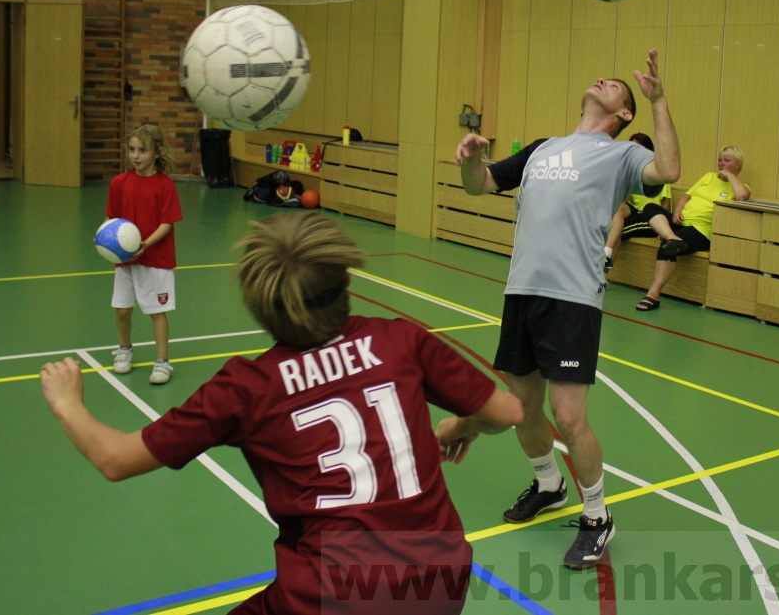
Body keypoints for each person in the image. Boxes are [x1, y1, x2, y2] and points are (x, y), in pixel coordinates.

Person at [41, 213, 522, 615]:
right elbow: (508, 412)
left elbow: (115, 458)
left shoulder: (247, 389)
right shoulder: (400, 340)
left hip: (330, 596)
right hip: (440, 580)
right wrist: (466, 423)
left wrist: (68, 404)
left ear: (257, 306)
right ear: (347, 280)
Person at [457, 49, 680, 570]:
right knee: (523, 409)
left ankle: (598, 517)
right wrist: (469, 157)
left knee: (570, 417)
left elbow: (668, 168)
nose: (604, 78)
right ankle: (548, 482)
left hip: (573, 300)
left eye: (615, 87)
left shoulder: (620, 157)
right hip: (522, 294)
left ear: (624, 115)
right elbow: (480, 184)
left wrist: (659, 100)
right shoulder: (541, 149)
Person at [106, 124, 183, 384]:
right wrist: (109, 242)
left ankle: (162, 362)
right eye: (131, 150)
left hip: (155, 259)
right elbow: (111, 218)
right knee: (122, 310)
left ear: (157, 152)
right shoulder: (119, 183)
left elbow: (167, 223)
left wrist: (145, 244)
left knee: (156, 311)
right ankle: (125, 348)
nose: (136, 156)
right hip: (125, 260)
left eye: (142, 150)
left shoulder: (165, 185)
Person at [635, 145, 750, 312]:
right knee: (651, 208)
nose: (721, 163)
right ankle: (669, 234)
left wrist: (730, 176)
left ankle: (653, 294)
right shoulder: (708, 177)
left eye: (727, 160)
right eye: (719, 160)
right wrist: (678, 211)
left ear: (738, 164)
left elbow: (741, 197)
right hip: (680, 222)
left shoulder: (740, 187)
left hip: (701, 231)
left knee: (668, 246)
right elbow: (686, 197)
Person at [602, 132, 672, 270]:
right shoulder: (630, 173)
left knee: (616, 231)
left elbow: (665, 204)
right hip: (633, 212)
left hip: (649, 216)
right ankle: (606, 254)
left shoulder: (658, 175)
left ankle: (604, 272)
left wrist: (663, 230)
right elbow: (624, 200)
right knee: (618, 211)